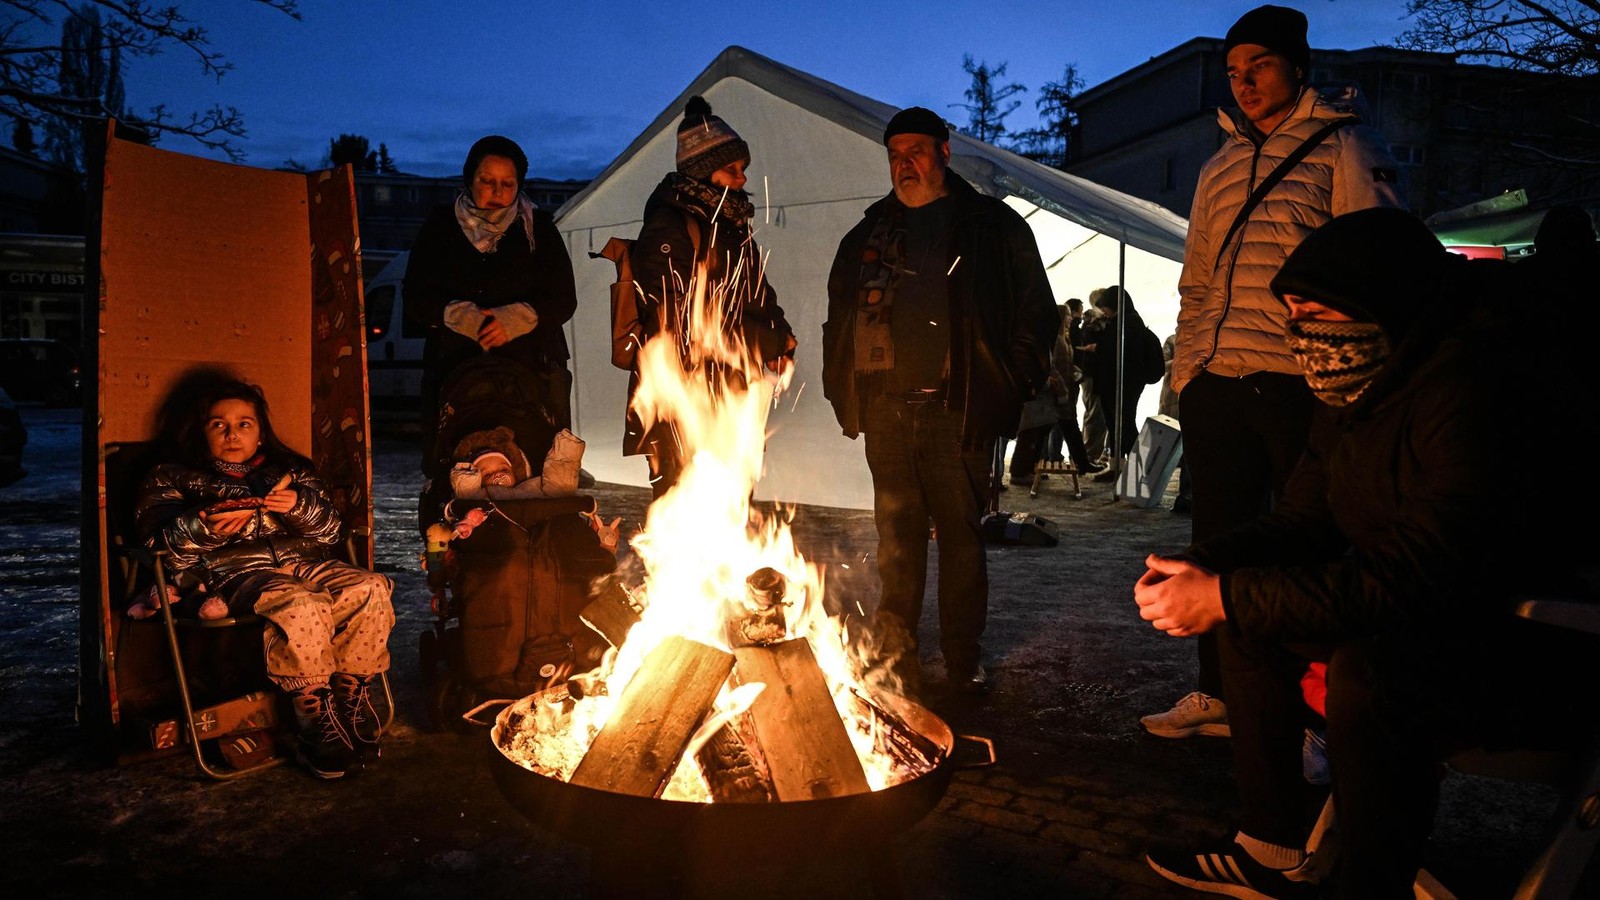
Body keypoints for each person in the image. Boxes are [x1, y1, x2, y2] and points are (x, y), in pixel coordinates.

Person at [1134, 208, 1597, 898]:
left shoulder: (1475, 390)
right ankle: (1271, 847)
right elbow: (1306, 516)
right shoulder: (1357, 383)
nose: (1303, 335)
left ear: (1385, 302)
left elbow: (1426, 573)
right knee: (1250, 617)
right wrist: (1210, 565)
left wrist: (1225, 593)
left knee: (1370, 675)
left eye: (1316, 311)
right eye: (1291, 313)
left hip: (1536, 638)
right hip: (1432, 607)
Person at [1147, 3, 1407, 739]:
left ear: (1297, 66)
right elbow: (1196, 279)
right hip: (1218, 382)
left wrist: (1356, 380)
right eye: (1232, 72)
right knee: (1220, 536)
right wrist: (1188, 367)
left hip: (1300, 382)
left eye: (1258, 66)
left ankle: (1309, 711)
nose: (1244, 82)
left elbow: (1380, 261)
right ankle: (1218, 693)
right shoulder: (1220, 165)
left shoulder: (1343, 146)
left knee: (1303, 542)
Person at [823, 106, 1059, 694]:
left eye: (917, 152)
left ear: (944, 153)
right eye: (895, 156)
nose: (905, 165)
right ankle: (895, 655)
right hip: (887, 408)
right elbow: (840, 319)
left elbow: (1036, 313)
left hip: (957, 408)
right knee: (896, 540)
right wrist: (844, 391)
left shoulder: (991, 226)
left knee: (960, 537)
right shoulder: (867, 234)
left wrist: (1012, 382)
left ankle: (961, 657)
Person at [135, 378, 395, 780]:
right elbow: (158, 544)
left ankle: (349, 694)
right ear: (199, 430)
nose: (232, 434)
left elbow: (329, 533)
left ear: (260, 431)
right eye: (218, 424)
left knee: (370, 587)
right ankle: (314, 718)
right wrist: (208, 528)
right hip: (235, 573)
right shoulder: (172, 476)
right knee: (300, 601)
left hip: (305, 561)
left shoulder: (290, 471)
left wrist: (299, 506)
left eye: (244, 424)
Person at [627, 96, 796, 499]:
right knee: (684, 508)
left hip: (733, 392)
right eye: (731, 170)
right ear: (702, 173)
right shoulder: (670, 227)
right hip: (684, 400)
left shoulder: (732, 225)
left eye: (743, 170)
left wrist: (780, 334)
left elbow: (757, 293)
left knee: (732, 505)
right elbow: (687, 321)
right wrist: (767, 341)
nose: (742, 179)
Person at [403, 135, 578, 507]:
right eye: (487, 181)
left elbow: (563, 299)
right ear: (470, 180)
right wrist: (457, 315)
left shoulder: (539, 229)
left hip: (531, 377)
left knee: (532, 470)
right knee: (457, 472)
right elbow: (416, 298)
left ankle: (536, 552)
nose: (496, 191)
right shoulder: (440, 226)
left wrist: (519, 317)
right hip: (455, 377)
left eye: (507, 183)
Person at [1078, 285, 1163, 483]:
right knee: (1115, 424)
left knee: (1124, 424)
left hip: (1125, 383)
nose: (1104, 311)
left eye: (1105, 306)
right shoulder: (1122, 320)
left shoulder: (1129, 322)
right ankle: (1118, 466)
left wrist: (1098, 347)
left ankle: (1137, 470)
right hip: (1115, 382)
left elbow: (1123, 350)